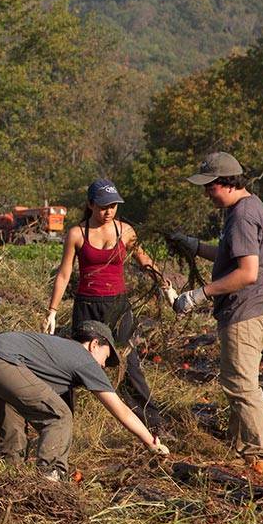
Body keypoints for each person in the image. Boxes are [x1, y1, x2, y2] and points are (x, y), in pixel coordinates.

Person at [168, 152, 263, 476]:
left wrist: (198, 294)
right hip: (249, 311)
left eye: (210, 187)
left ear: (226, 183)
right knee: (237, 383)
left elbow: (247, 272)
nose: (207, 194)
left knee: (243, 386)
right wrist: (195, 245)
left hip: (245, 311)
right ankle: (242, 453)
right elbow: (232, 253)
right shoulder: (246, 208)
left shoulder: (242, 214)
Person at [0, 320, 169, 482]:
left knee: (13, 422)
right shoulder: (84, 358)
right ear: (94, 344)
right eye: (105, 358)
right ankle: (49, 480)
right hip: (1, 361)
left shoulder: (57, 350)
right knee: (59, 416)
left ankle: (9, 479)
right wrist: (149, 441)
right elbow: (120, 410)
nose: (103, 366)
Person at [42, 179, 170, 430]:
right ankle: (61, 423)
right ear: (90, 205)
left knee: (129, 364)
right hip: (87, 305)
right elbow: (64, 273)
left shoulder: (126, 231)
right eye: (103, 206)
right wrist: (52, 311)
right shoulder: (77, 234)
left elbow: (145, 260)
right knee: (76, 363)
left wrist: (166, 286)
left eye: (113, 206)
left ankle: (153, 425)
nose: (109, 211)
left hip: (118, 307)